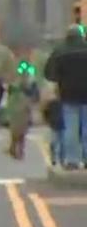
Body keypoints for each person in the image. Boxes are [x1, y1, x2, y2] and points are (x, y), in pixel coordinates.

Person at [45, 25, 87, 168]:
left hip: (68, 95)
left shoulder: (60, 51)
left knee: (70, 128)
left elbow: (49, 73)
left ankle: (72, 160)